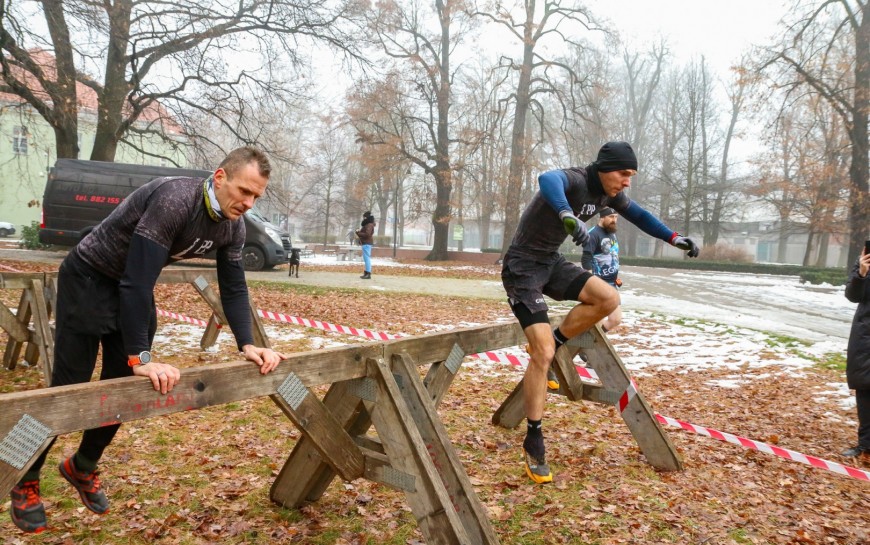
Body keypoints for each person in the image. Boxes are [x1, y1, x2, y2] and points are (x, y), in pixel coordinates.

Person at [9, 146, 287, 534]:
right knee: (66, 388)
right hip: (88, 276)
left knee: (125, 387)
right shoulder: (175, 200)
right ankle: (23, 475)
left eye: (256, 196)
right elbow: (137, 281)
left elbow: (235, 287)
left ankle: (82, 466)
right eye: (244, 191)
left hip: (129, 286)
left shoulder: (233, 226)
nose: (248, 203)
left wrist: (248, 343)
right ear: (220, 177)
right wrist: (141, 356)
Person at [501, 141, 700, 484]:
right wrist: (566, 214)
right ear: (605, 168)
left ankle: (556, 343)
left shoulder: (610, 195)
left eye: (631, 175)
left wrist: (674, 238)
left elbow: (640, 215)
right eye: (623, 173)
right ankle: (534, 437)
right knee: (541, 353)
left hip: (551, 263)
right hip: (522, 267)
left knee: (608, 299)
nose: (627, 181)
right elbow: (547, 178)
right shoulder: (577, 179)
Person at [842, 243, 870, 458]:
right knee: (865, 390)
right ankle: (866, 445)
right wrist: (861, 273)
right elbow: (852, 295)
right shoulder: (864, 261)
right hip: (866, 336)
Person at [582, 207, 623, 332]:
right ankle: (591, 342)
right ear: (602, 217)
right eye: (611, 217)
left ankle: (594, 339)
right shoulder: (593, 234)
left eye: (616, 217)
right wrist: (591, 282)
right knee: (597, 321)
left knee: (616, 319)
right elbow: (586, 259)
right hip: (599, 283)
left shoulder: (611, 232)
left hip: (612, 284)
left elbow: (613, 255)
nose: (614, 220)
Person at [356, 211, 375, 279]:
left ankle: (368, 273)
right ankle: (367, 272)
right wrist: (359, 232)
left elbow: (367, 234)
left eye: (364, 217)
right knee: (366, 258)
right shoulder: (368, 224)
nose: (363, 218)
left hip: (366, 243)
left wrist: (359, 233)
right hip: (366, 243)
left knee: (367, 259)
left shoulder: (369, 225)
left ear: (366, 217)